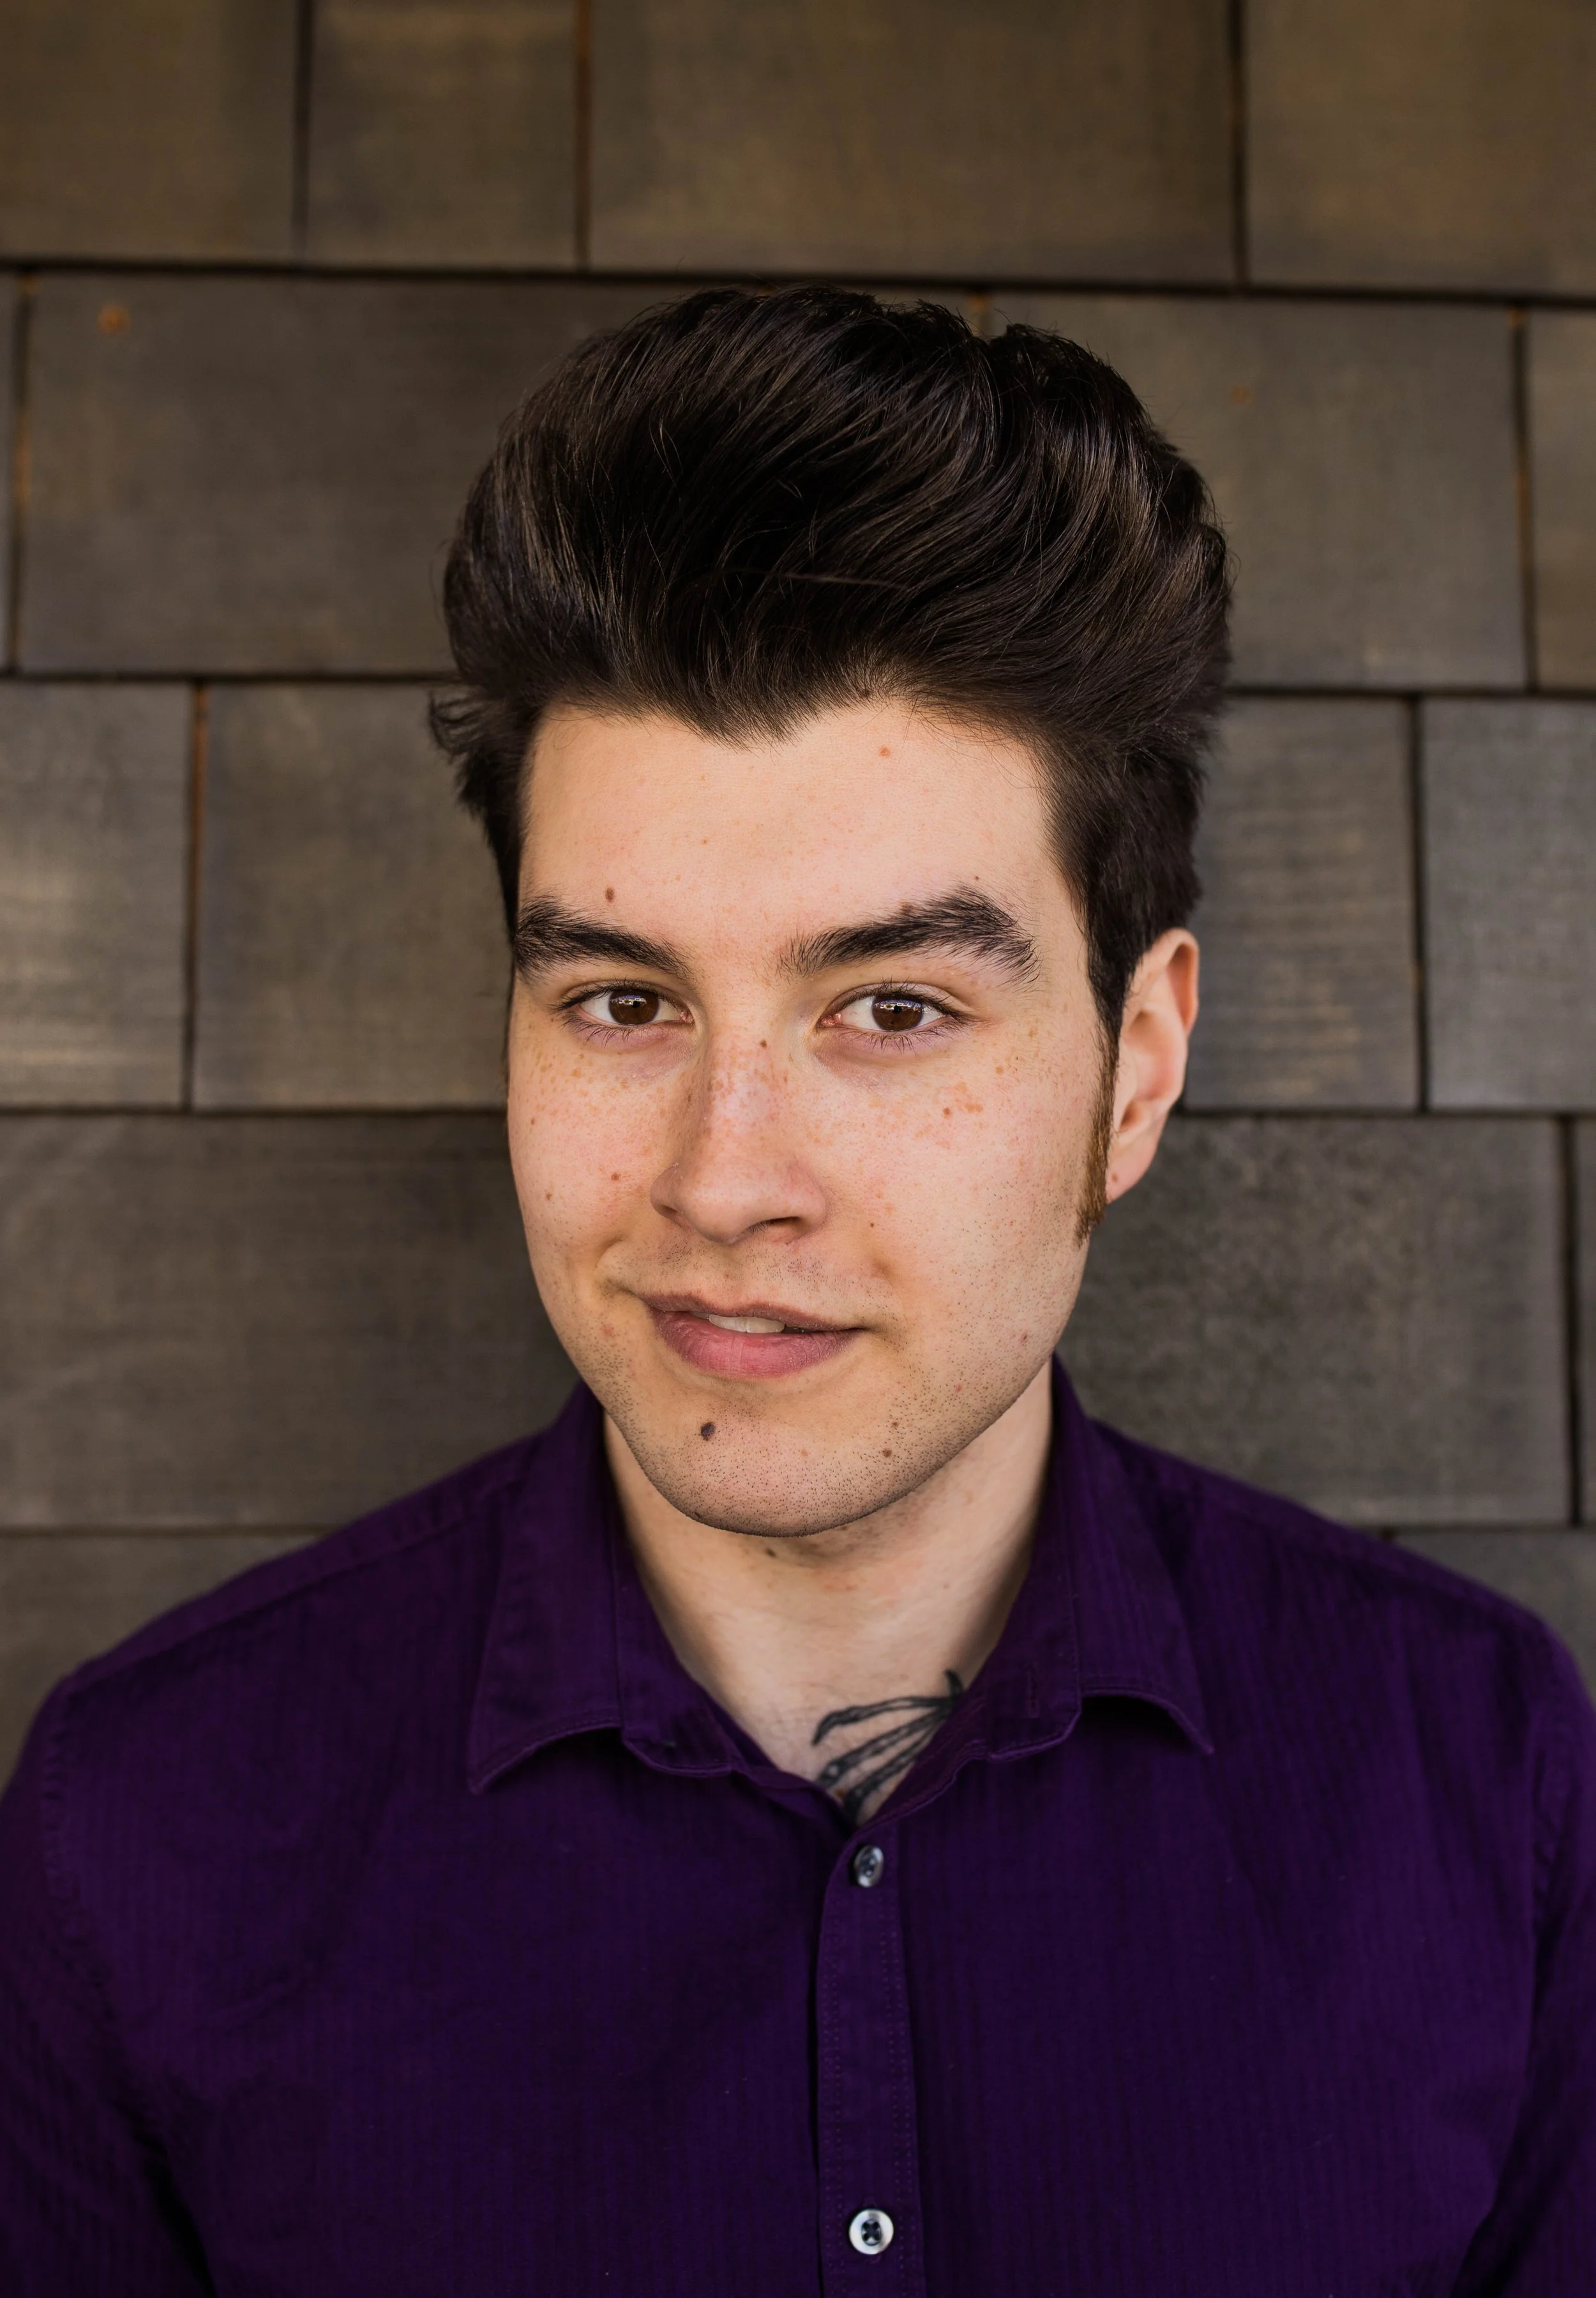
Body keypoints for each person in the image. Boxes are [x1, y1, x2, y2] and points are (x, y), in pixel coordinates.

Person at [1, 287, 1590, 2295]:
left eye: (895, 1007)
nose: (719, 1175)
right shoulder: (139, 1823)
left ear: (1140, 1065)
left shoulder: (1475, 1774)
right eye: (620, 997)